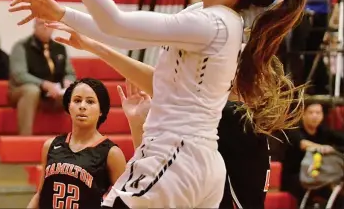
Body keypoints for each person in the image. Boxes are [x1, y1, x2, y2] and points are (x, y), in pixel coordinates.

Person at [9, 0, 306, 208]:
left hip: (175, 156)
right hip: (192, 160)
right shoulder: (206, 17)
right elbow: (158, 78)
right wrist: (81, 32)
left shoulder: (213, 23)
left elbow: (117, 22)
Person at [50, 24, 272, 209]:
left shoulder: (233, 117)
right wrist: (139, 123)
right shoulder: (228, 120)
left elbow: (163, 85)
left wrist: (94, 45)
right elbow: (156, 170)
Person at [27, 77, 127, 209]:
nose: (82, 106)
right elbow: (41, 194)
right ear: (69, 106)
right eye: (77, 100)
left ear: (101, 110)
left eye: (90, 102)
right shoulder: (50, 146)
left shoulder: (112, 153)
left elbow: (125, 202)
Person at [9, 18, 77, 135]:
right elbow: (19, 75)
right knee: (32, 90)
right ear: (34, 26)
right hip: (22, 92)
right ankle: (25, 139)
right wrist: (43, 84)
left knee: (78, 90)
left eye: (49, 24)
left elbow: (70, 73)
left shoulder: (60, 48)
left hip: (55, 94)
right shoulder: (22, 46)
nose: (45, 27)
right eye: (41, 24)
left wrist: (69, 81)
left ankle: (78, 140)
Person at [281, 100, 344, 205]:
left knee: (337, 196)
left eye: (318, 113)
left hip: (317, 175)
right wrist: (322, 147)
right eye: (311, 112)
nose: (315, 116)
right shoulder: (294, 130)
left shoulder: (323, 131)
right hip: (295, 175)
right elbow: (303, 144)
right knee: (310, 193)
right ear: (303, 114)